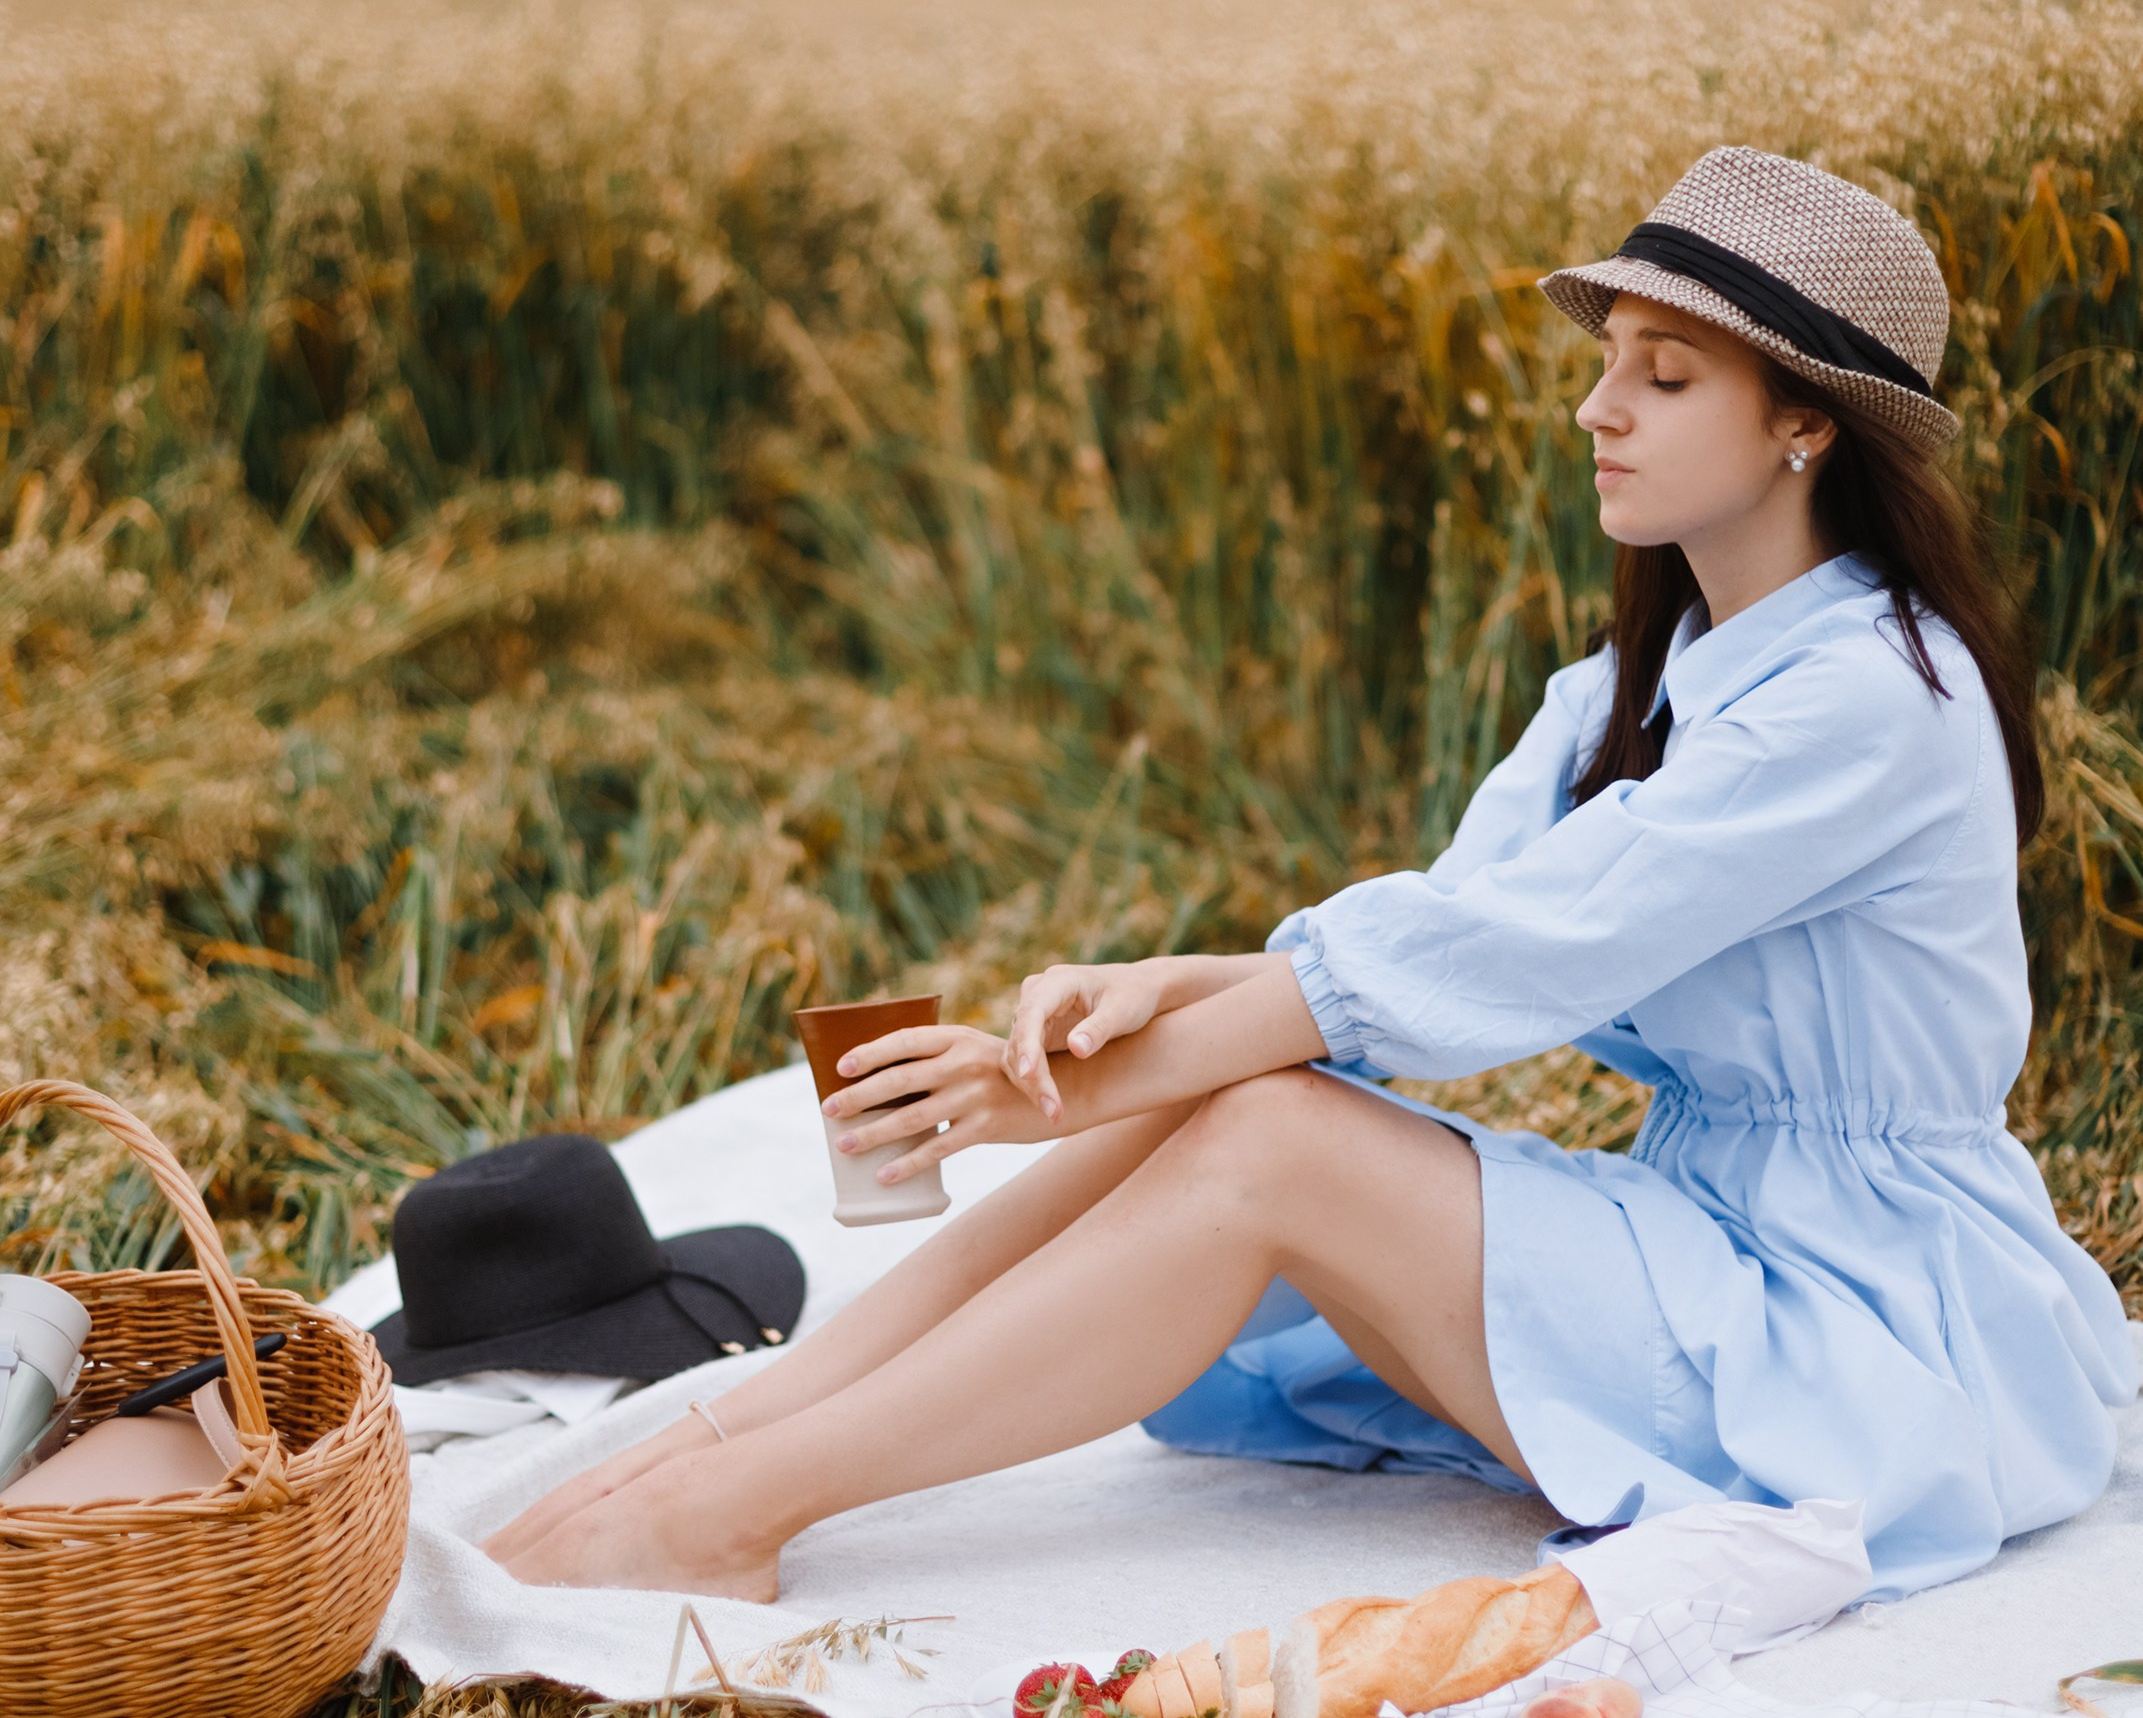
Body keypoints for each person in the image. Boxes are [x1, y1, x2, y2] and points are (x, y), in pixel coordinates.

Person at [490, 146, 2135, 1604]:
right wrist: (1154, 1000)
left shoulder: (1871, 699)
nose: (1598, 408)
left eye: (1666, 375)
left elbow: (1509, 969)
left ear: (1805, 425)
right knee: (1223, 1089)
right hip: (1709, 1232)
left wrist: (1037, 1094)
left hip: (1867, 1327)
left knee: (1269, 1130)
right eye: (1605, 364)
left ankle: (723, 1512)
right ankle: (724, 1438)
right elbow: (1439, 940)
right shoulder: (1632, 689)